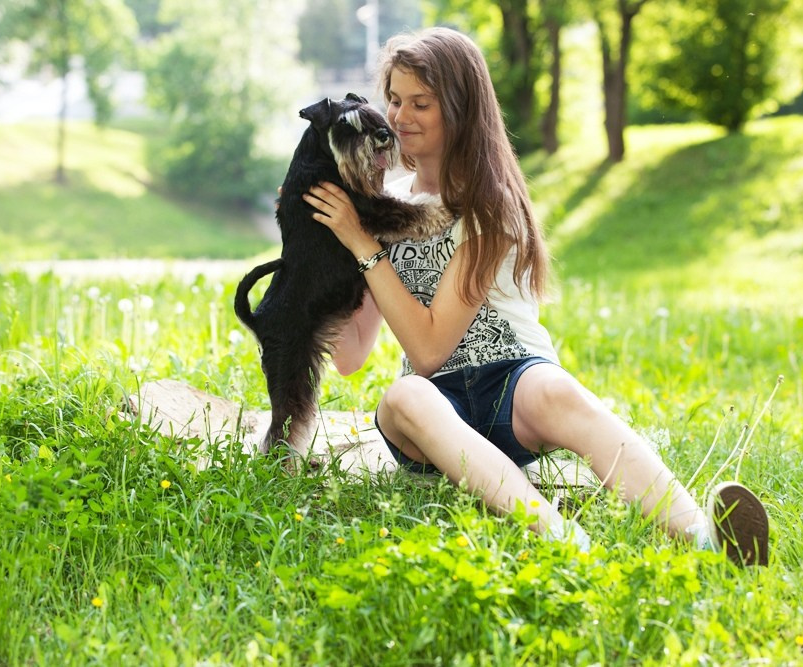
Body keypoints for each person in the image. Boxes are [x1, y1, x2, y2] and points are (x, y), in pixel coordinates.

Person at [302, 27, 769, 565]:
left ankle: (705, 538)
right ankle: (561, 539)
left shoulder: (488, 208)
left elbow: (430, 345)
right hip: (438, 412)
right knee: (403, 396)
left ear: (458, 108)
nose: (400, 116)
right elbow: (349, 356)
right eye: (395, 100)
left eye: (421, 103)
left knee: (558, 391)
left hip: (514, 384)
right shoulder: (383, 209)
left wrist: (363, 245)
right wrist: (322, 249)